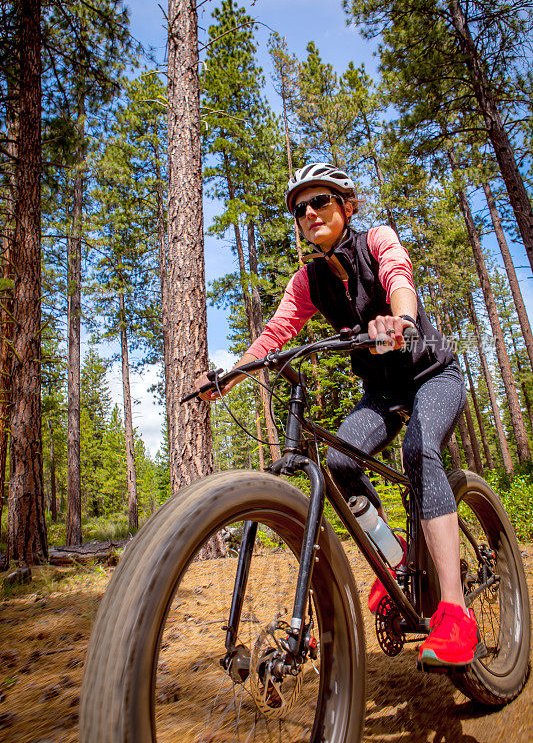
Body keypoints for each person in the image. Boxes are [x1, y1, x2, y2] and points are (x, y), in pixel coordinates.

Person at [198, 163, 478, 668]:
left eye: (320, 202)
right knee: (339, 462)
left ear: (346, 206)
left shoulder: (377, 239)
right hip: (382, 389)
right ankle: (396, 557)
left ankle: (455, 614)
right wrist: (230, 378)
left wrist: (403, 320)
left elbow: (399, 279)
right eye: (300, 209)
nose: (309, 214)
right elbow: (275, 332)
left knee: (420, 450)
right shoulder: (308, 281)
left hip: (432, 374)